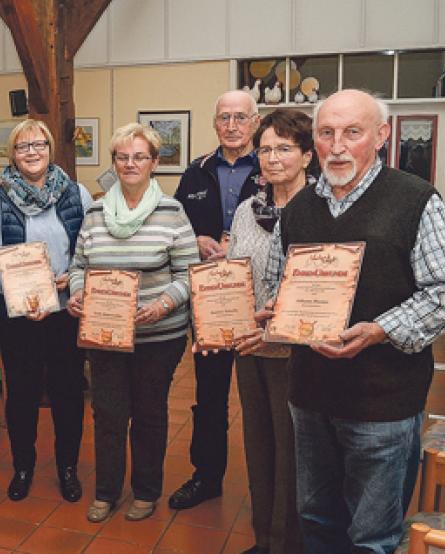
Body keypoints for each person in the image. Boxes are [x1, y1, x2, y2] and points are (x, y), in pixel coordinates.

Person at [240, 89, 445, 553]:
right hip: (308, 397)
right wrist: (277, 316)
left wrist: (381, 329)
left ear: (381, 135)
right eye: (327, 133)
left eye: (352, 132)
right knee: (317, 521)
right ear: (315, 142)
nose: (338, 145)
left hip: (381, 404)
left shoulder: (415, 199)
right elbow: (283, 285)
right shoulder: (298, 209)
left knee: (372, 537)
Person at [67, 123, 199, 523]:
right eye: (122, 157)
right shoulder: (94, 212)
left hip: (159, 335)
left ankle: (146, 491)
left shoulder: (172, 212)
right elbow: (78, 266)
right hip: (105, 334)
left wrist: (162, 305)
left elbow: (190, 274)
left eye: (139, 156)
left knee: (148, 412)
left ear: (154, 163)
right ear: (114, 163)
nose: (130, 164)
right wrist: (77, 293)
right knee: (107, 413)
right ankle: (106, 492)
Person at [0, 119, 91, 503]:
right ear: (13, 153)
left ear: (49, 148)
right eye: (23, 146)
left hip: (66, 311)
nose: (32, 152)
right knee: (22, 395)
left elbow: (90, 250)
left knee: (68, 393)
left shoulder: (77, 194)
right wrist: (26, 293)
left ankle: (68, 468)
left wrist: (71, 278)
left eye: (39, 144)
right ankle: (23, 467)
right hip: (20, 316)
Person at [226, 109, 316, 554]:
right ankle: (264, 541)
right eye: (264, 149)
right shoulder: (246, 211)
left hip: (297, 353)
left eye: (284, 148)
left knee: (293, 456)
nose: (272, 158)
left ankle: (288, 545)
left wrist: (278, 331)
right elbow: (233, 271)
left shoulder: (322, 209)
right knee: (258, 448)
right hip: (248, 347)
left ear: (306, 156)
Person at [170, 90, 261, 510]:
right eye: (224, 117)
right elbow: (176, 228)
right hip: (211, 301)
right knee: (209, 395)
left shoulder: (273, 165)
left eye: (240, 117)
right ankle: (206, 475)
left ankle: (276, 485)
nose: (232, 125)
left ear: (255, 122)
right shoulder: (195, 172)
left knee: (266, 395)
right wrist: (196, 240)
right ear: (215, 123)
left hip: (263, 302)